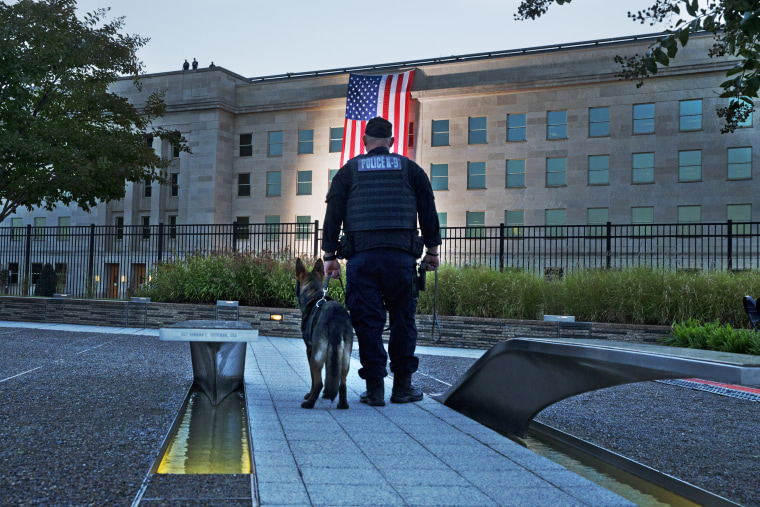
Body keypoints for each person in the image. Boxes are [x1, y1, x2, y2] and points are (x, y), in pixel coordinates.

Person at [322, 116, 441, 406]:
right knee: (403, 321)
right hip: (401, 259)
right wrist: (432, 252)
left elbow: (333, 214)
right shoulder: (411, 169)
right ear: (391, 142)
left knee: (368, 323)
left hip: (362, 259)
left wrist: (329, 256)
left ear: (364, 142)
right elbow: (428, 211)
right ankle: (402, 388)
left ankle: (375, 389)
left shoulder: (348, 171)